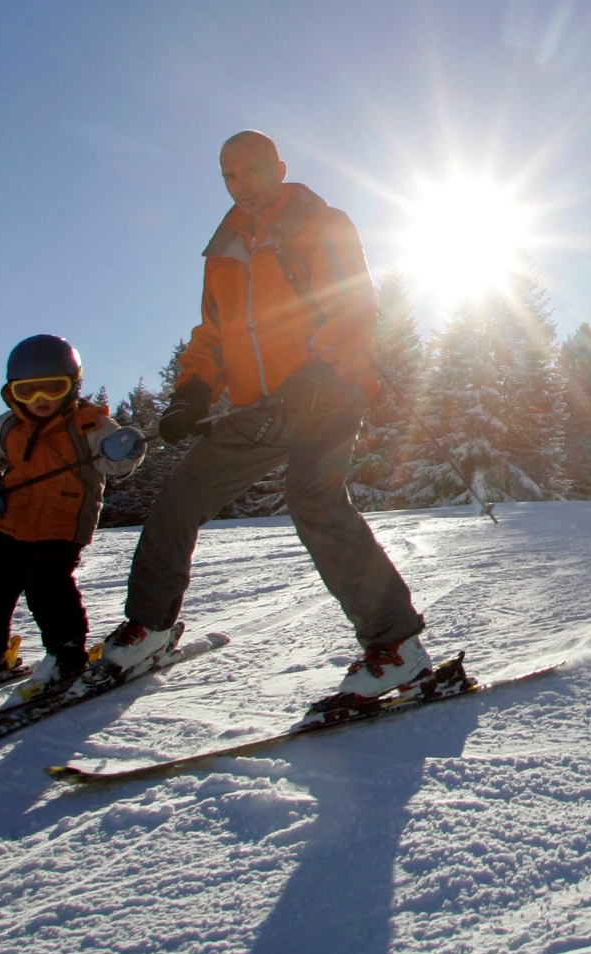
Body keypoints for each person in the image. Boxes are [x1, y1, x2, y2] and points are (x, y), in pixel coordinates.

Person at [100, 130, 429, 701]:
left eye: (250, 170)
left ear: (278, 168)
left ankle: (397, 645)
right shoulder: (223, 248)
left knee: (313, 497)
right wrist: (192, 393)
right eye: (228, 175)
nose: (239, 184)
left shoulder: (321, 222)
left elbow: (354, 304)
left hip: (327, 390)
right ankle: (152, 627)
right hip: (261, 406)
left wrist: (320, 367)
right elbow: (213, 334)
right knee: (181, 493)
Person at [0, 335, 147, 699]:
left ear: (73, 385)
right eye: (28, 392)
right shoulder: (8, 426)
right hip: (10, 518)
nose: (40, 401)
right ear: (12, 392)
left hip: (62, 522)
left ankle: (67, 654)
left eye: (52, 389)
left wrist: (126, 450)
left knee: (47, 584)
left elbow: (112, 463)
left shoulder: (89, 425)